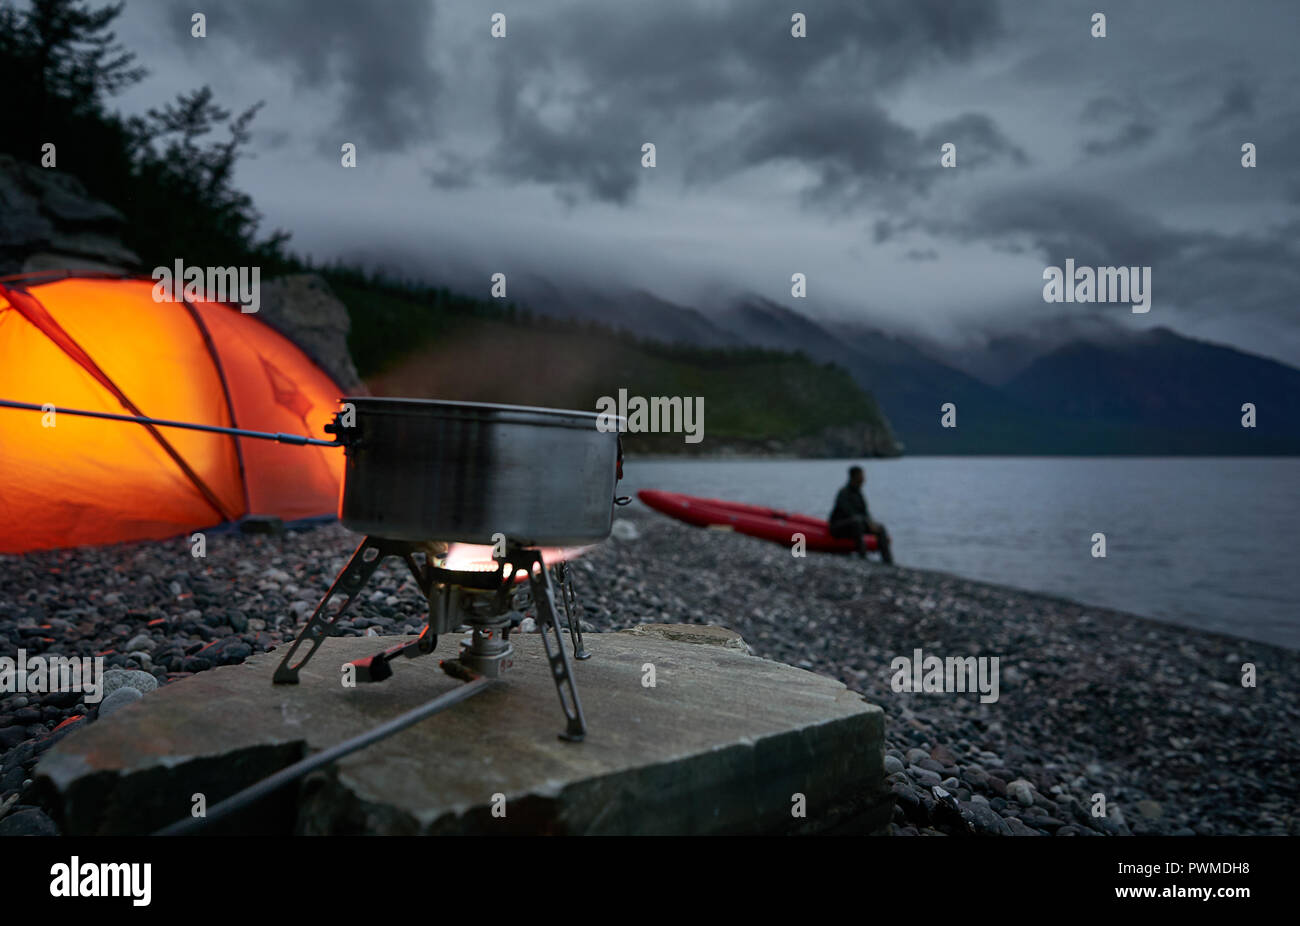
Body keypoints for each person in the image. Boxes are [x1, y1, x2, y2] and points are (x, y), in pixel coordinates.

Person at [828, 465, 893, 564]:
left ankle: (887, 561)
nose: (864, 479)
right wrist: (866, 522)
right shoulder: (843, 493)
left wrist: (872, 524)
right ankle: (863, 557)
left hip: (856, 525)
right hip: (838, 527)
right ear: (854, 477)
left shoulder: (859, 494)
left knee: (880, 528)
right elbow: (849, 513)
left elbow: (865, 513)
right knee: (857, 522)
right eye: (861, 476)